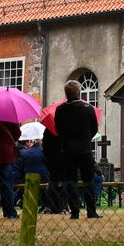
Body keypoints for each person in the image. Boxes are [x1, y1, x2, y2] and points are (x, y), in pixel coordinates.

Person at [54, 80, 102, 219]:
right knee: (88, 180)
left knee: (70, 181)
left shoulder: (60, 109)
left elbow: (58, 129)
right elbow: (94, 129)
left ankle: (74, 212)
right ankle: (91, 211)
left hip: (68, 150)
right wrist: (86, 139)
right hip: (85, 149)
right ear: (79, 92)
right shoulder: (88, 108)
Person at [15, 139, 49, 207]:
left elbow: (20, 167)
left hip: (28, 179)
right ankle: (45, 205)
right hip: (44, 178)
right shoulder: (44, 152)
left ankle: (16, 201)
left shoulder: (24, 152)